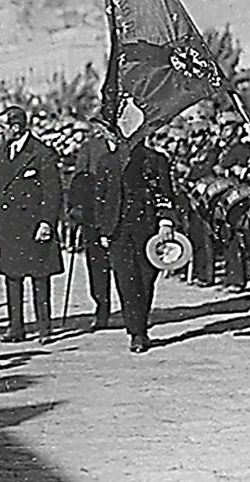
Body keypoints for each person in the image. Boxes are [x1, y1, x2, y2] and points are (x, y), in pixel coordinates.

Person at [72, 122, 176, 353]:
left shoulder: (156, 160)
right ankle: (137, 332)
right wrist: (102, 230)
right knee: (126, 279)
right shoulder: (107, 162)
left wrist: (166, 222)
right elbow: (101, 198)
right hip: (118, 230)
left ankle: (141, 321)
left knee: (146, 277)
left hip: (148, 229)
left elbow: (166, 194)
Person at [0, 106, 64, 345]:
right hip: (8, 226)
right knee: (12, 276)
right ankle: (16, 327)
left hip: (34, 226)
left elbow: (53, 192)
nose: (0, 133)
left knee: (40, 278)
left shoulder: (41, 153)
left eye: (3, 128)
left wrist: (47, 223)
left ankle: (44, 328)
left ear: (16, 126)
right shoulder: (2, 151)